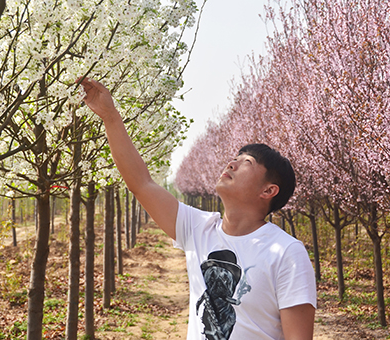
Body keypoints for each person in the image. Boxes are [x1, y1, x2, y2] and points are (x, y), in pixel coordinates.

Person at [79, 78, 317, 340]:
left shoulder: (286, 253)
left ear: (268, 191)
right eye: (234, 158)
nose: (231, 164)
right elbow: (141, 183)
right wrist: (110, 116)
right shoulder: (198, 229)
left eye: (246, 162)